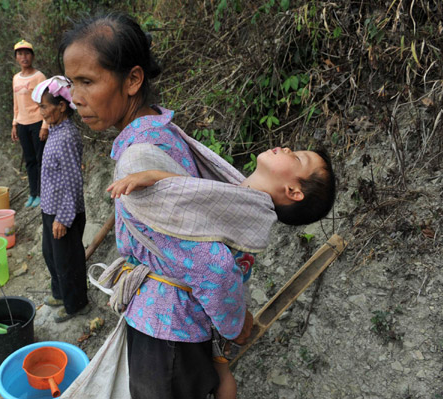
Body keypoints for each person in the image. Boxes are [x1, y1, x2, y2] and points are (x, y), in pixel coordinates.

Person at [60, 13, 335, 399]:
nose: (75, 96)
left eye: (87, 81)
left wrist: (234, 324)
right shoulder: (159, 131)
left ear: (133, 80)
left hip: (167, 330)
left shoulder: (142, 152)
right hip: (171, 324)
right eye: (72, 82)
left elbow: (212, 265)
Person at [31, 75, 89, 323]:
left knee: (68, 261)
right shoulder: (55, 130)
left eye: (44, 106)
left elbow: (72, 180)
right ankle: (60, 293)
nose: (41, 111)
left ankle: (76, 304)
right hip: (50, 208)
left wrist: (63, 219)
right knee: (51, 255)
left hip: (64, 213)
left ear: (62, 106)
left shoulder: (66, 137)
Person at [11, 39, 48, 208]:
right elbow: (16, 103)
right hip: (22, 124)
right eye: (20, 54)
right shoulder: (16, 78)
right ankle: (33, 193)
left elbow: (46, 102)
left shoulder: (39, 77)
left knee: (41, 159)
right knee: (30, 160)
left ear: (32, 56)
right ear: (16, 58)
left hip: (37, 122)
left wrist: (45, 125)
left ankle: (42, 193)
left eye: (27, 53)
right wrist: (14, 123)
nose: (24, 57)